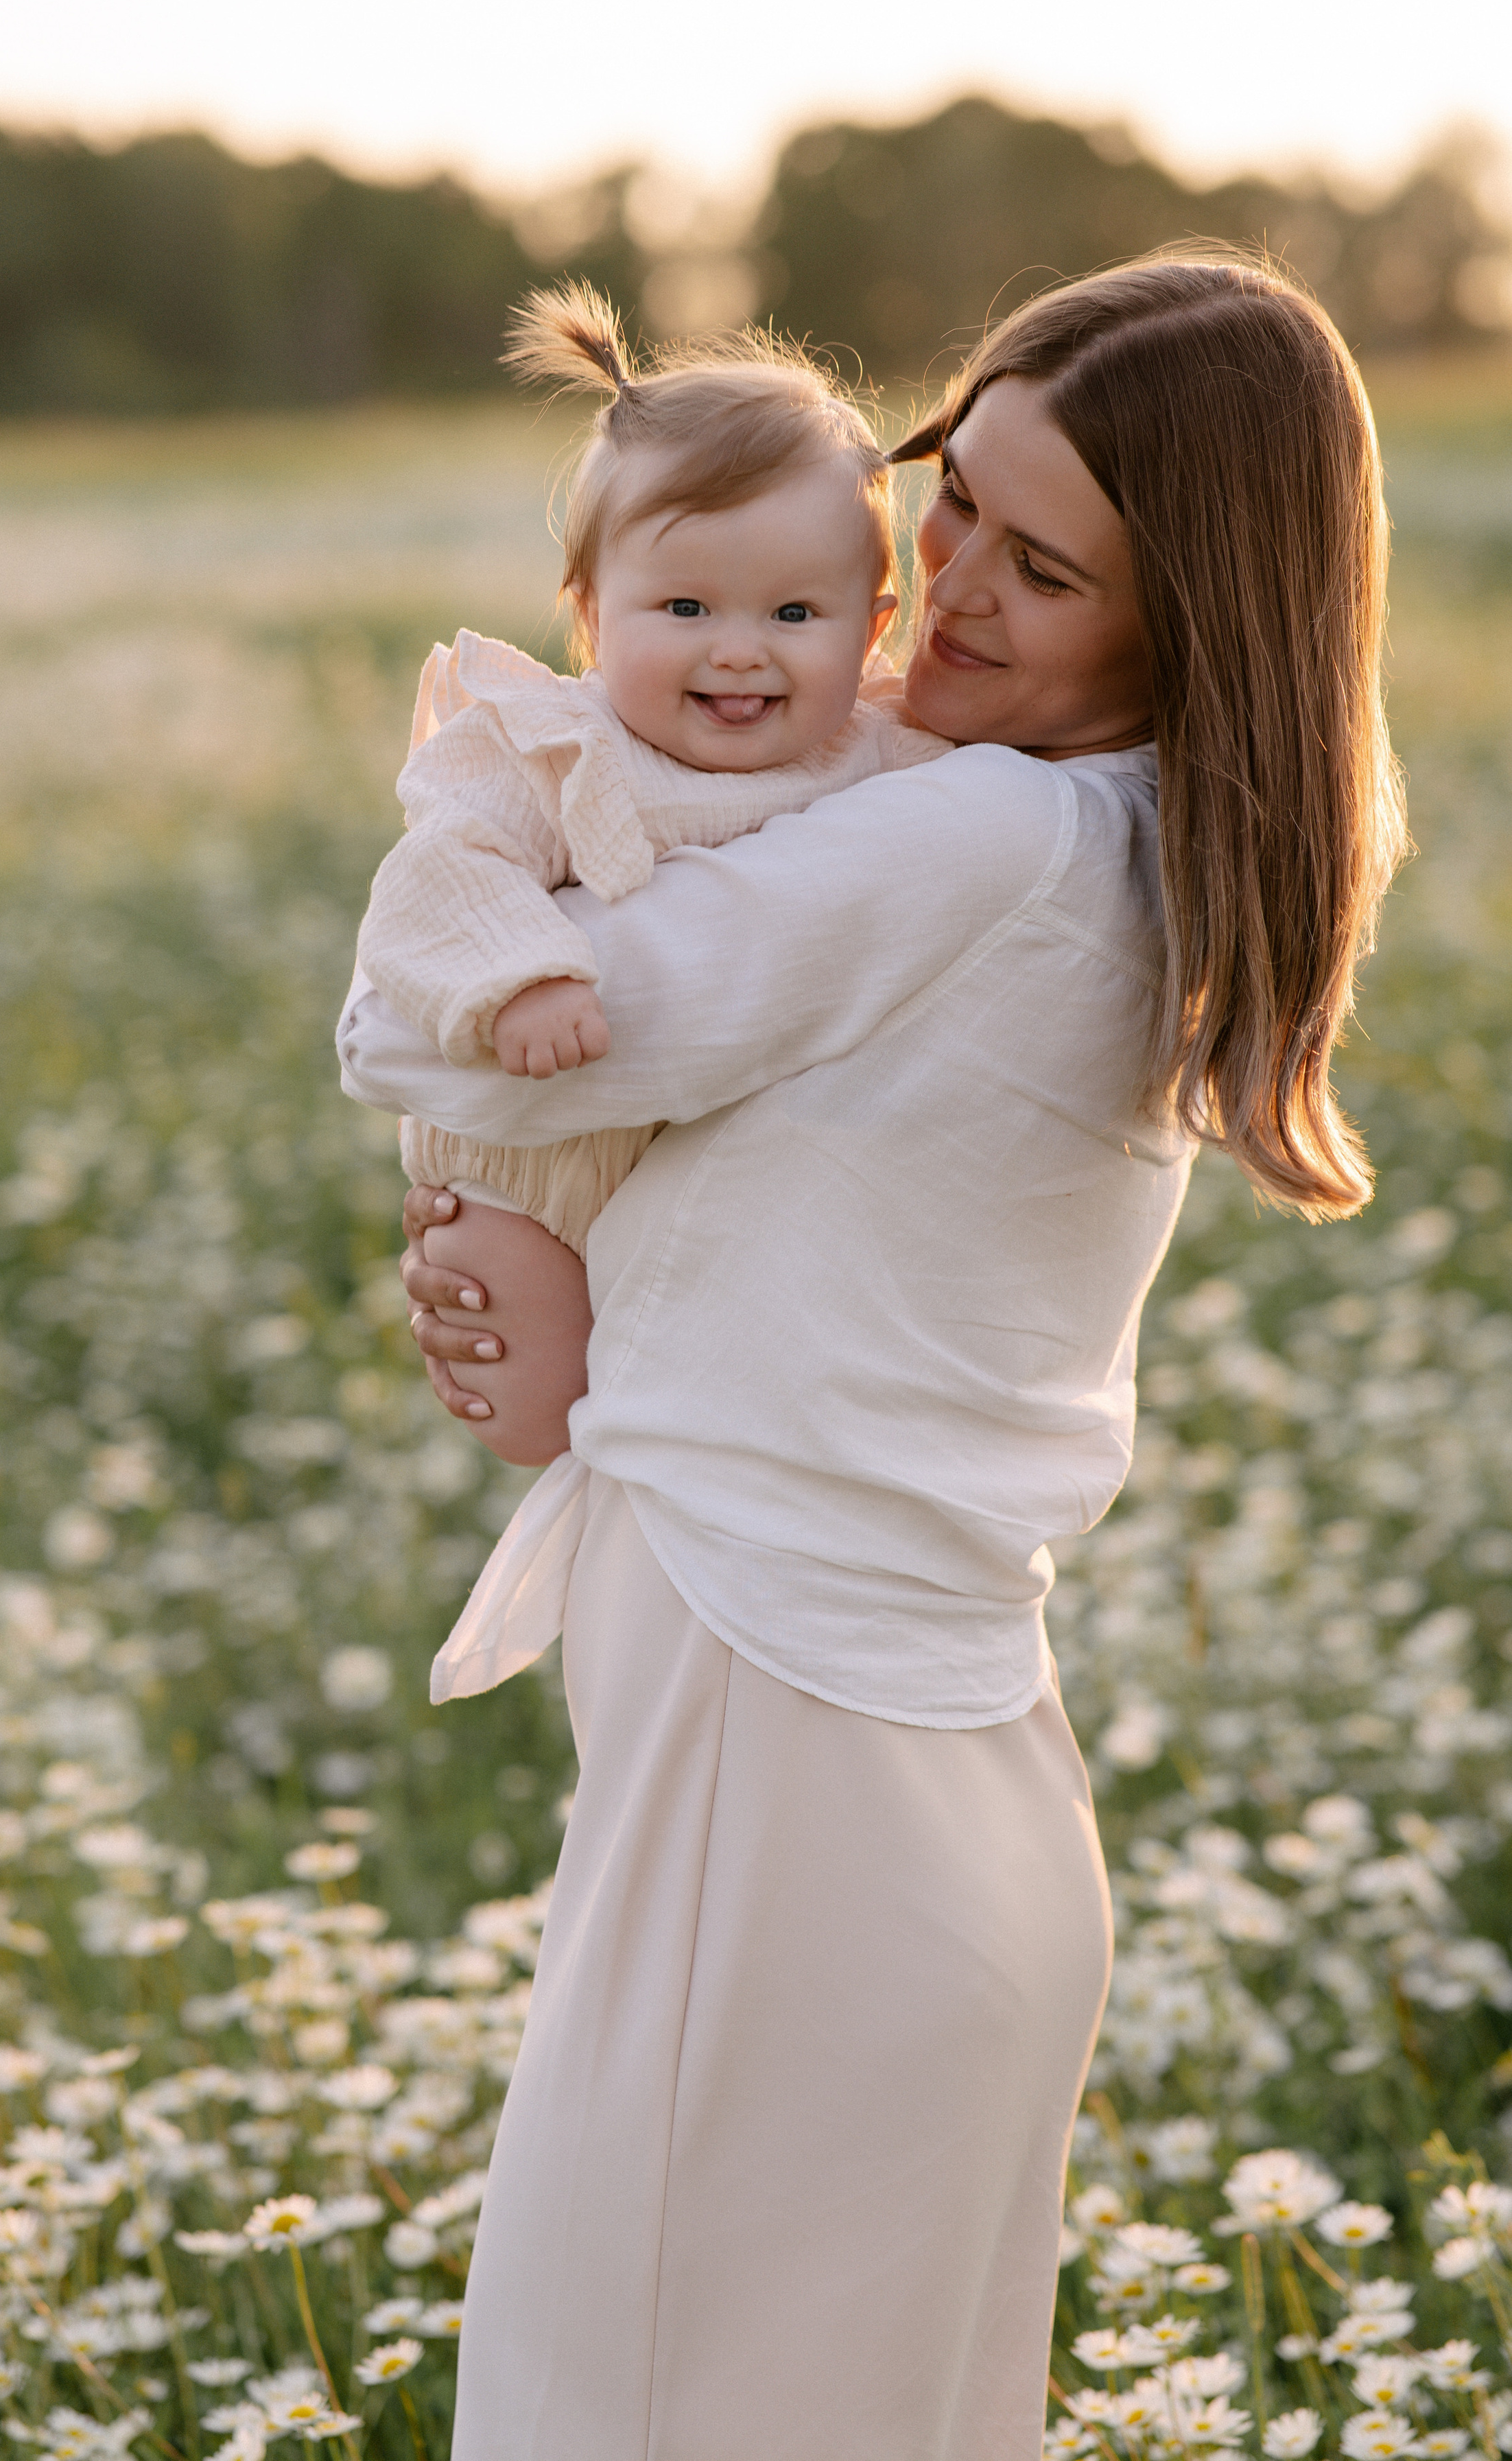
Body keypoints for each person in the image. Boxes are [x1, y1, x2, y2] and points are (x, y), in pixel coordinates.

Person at [338, 250, 1407, 2460]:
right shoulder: (1154, 849)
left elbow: (420, 1025)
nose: (954, 589)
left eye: (1051, 564)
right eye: (953, 501)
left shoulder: (985, 836)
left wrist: (535, 806)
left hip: (792, 1791)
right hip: (934, 1800)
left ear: (1188, 618)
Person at [353, 282, 948, 1463]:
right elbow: (439, 873)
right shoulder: (549, 748)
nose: (740, 648)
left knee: (703, 1407)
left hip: (717, 1168)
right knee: (547, 1422)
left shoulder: (884, 751)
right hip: (538, 1177)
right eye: (684, 605)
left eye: (794, 611)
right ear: (589, 612)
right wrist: (523, 978)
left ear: (873, 627)